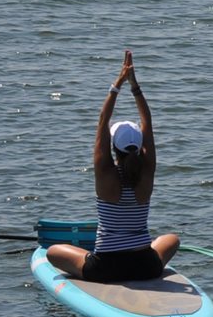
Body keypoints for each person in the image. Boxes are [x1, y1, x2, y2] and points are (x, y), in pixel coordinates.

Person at [47, 50, 180, 282]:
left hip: (106, 268)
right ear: (139, 148)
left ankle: (89, 254)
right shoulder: (147, 173)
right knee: (172, 239)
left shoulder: (105, 173)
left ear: (113, 147)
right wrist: (134, 86)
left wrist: (117, 84)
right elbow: (148, 123)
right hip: (145, 266)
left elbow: (102, 122)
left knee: (52, 252)